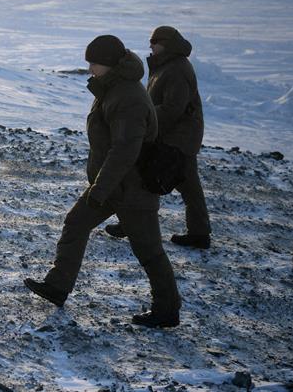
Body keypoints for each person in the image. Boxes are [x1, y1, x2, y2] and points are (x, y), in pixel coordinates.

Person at [24, 35, 182, 328]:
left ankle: (168, 310)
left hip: (131, 189)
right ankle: (57, 287)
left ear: (109, 64)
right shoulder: (113, 89)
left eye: (94, 64)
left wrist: (99, 189)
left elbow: (124, 151)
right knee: (76, 223)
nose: (90, 70)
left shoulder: (128, 98)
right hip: (113, 185)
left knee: (149, 251)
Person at [105, 26, 210, 248]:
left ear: (167, 44)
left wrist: (146, 119)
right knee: (172, 183)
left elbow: (173, 108)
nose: (150, 45)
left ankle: (197, 234)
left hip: (177, 138)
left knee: (150, 179)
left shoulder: (177, 69)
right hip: (172, 136)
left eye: (155, 42)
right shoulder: (166, 65)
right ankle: (197, 233)